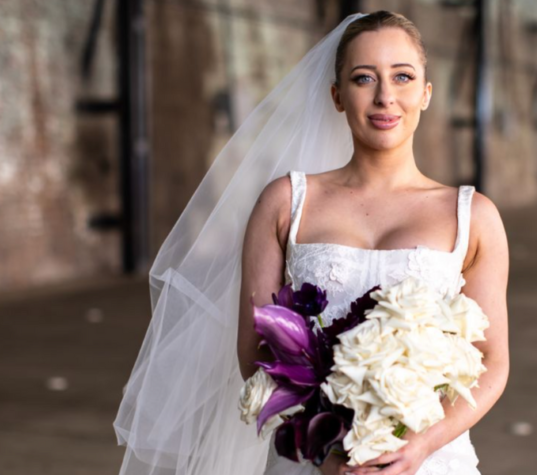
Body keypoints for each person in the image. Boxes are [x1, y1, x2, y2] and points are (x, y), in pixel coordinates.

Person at [114, 11, 509, 475]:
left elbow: (492, 362)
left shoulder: (472, 216)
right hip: (314, 462)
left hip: (430, 459)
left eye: (402, 77)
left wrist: (419, 447)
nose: (386, 97)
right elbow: (257, 352)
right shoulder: (286, 202)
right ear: (338, 96)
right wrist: (325, 451)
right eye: (364, 78)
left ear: (425, 93)